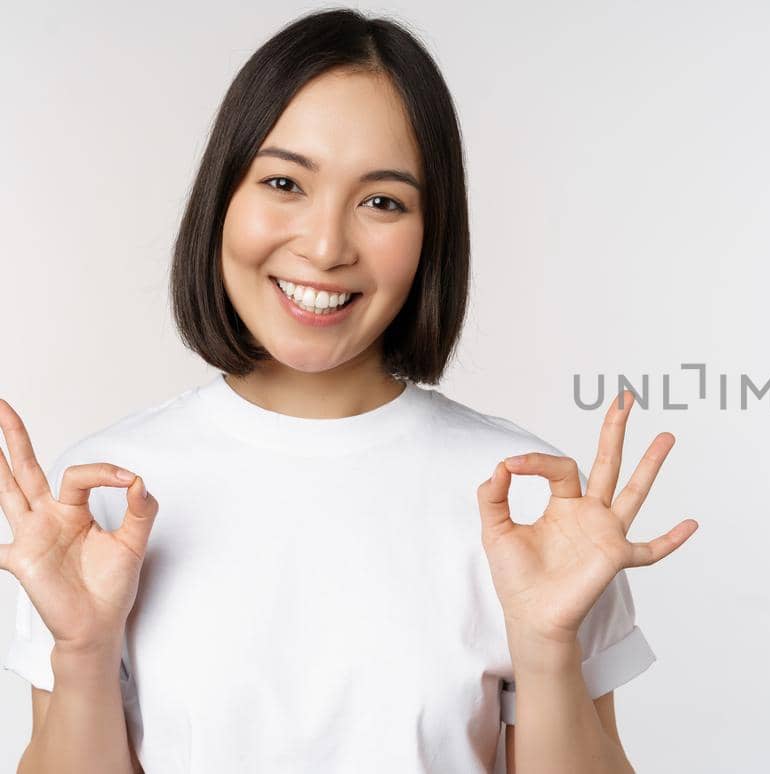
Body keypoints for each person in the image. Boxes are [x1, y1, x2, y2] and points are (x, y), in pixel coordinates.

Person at [0, 8, 697, 773]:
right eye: (283, 182)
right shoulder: (99, 496)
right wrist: (83, 649)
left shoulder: (530, 504)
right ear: (221, 198)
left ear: (433, 235)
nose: (326, 246)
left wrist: (548, 646)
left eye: (382, 201)